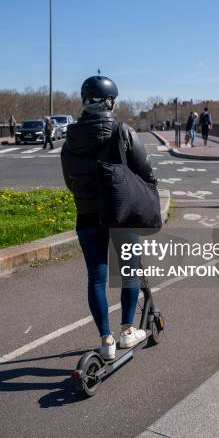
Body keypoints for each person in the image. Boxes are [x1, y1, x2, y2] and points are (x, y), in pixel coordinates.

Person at [61, 75, 157, 360]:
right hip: (121, 213)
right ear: (112, 102)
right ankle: (128, 330)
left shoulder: (71, 138)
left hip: (87, 215)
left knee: (96, 279)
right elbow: (146, 173)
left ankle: (106, 339)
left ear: (84, 102)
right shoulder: (123, 131)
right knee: (129, 270)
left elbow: (70, 180)